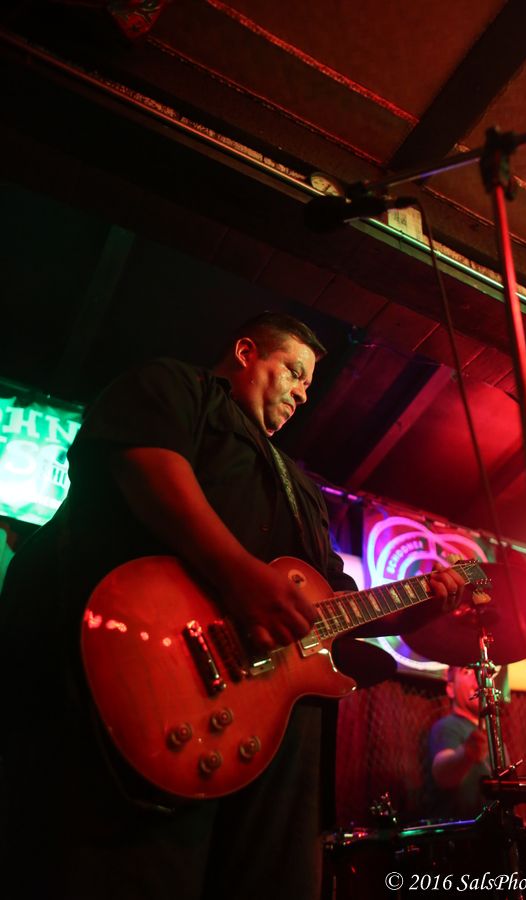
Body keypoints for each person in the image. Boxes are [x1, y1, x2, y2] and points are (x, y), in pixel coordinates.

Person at [0, 311, 465, 900]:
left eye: (309, 385)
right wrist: (240, 576)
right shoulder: (177, 386)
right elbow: (146, 460)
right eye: (294, 371)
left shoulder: (302, 487)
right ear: (246, 352)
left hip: (273, 738)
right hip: (147, 684)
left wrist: (406, 614)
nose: (303, 393)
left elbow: (329, 603)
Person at [425, 665, 491, 821]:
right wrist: (467, 753)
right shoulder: (447, 726)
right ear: (451, 689)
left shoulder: (493, 734)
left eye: (479, 671)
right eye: (467, 671)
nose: (477, 676)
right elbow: (442, 773)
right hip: (464, 831)